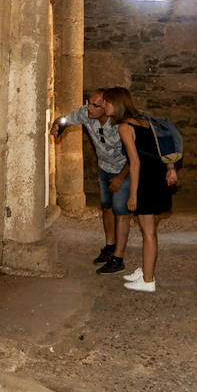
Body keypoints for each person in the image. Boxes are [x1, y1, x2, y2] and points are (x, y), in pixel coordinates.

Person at [101, 86, 177, 293]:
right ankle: (145, 270)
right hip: (157, 177)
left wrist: (133, 195)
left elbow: (134, 163)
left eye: (106, 102)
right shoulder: (144, 121)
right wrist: (171, 169)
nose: (103, 105)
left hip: (146, 182)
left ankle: (148, 280)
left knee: (148, 231)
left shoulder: (124, 127)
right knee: (149, 229)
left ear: (116, 104)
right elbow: (163, 145)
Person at [50, 89, 132, 274]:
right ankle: (110, 246)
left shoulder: (123, 124)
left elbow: (135, 157)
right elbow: (64, 119)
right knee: (107, 208)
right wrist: (58, 126)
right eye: (89, 102)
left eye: (95, 105)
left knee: (121, 212)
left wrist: (120, 178)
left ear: (107, 108)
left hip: (124, 170)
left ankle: (118, 258)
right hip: (105, 167)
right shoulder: (85, 113)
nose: (89, 108)